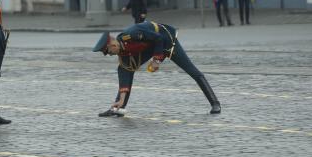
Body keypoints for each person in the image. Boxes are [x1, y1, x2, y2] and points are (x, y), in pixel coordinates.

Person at [92, 21, 221, 117]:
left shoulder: (132, 34)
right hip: (151, 47)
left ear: (113, 44)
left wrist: (156, 60)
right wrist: (121, 98)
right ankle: (119, 107)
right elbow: (124, 72)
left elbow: (159, 38)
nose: (108, 54)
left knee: (192, 71)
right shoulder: (122, 50)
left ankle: (215, 103)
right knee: (125, 68)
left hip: (167, 40)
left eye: (108, 51)